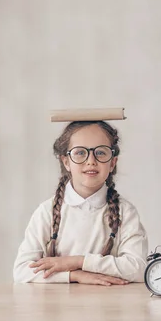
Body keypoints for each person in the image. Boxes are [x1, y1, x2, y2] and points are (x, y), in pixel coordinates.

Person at [13, 120, 148, 285]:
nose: (91, 160)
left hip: (108, 307)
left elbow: (138, 269)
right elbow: (21, 271)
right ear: (66, 162)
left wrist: (78, 262)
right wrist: (74, 275)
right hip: (56, 309)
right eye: (80, 153)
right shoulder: (46, 211)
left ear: (113, 163)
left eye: (100, 153)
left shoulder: (126, 212)